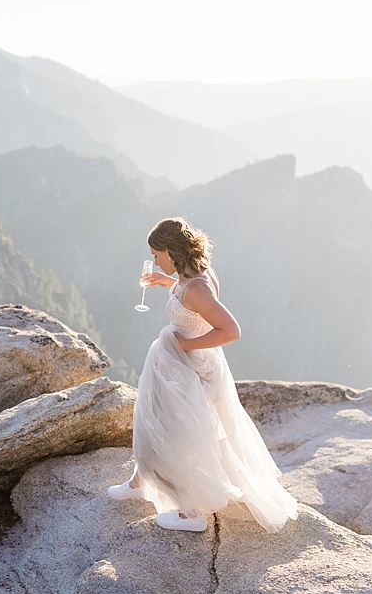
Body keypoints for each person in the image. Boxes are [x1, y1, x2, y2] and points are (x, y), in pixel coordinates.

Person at [109, 217, 295, 534]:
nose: (154, 260)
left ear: (171, 252)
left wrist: (188, 343)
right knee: (151, 418)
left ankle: (190, 513)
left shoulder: (197, 289)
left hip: (187, 367)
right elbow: (188, 297)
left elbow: (231, 330)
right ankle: (139, 482)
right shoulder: (194, 275)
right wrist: (164, 281)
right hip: (179, 361)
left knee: (172, 433)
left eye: (156, 255)